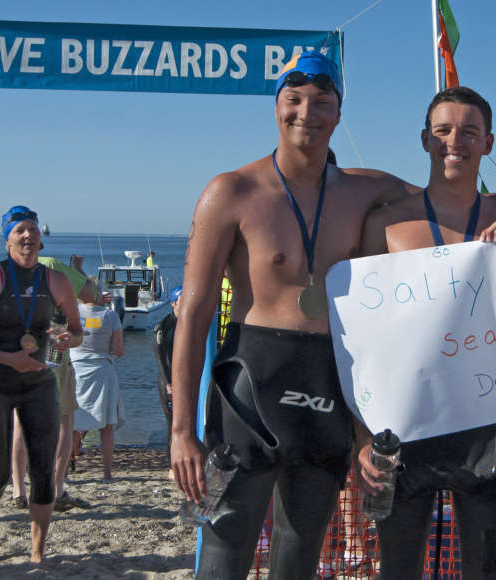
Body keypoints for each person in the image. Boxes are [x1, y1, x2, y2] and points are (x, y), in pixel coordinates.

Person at [170, 50, 413, 578]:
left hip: (326, 383)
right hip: (249, 386)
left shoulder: (369, 190)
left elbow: (451, 205)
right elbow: (193, 313)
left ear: (339, 113)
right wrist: (181, 430)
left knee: (300, 556)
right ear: (276, 108)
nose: (307, 112)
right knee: (225, 548)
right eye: (294, 100)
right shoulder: (231, 192)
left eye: (322, 101)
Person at [356, 86, 496, 579]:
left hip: (489, 424)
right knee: (397, 569)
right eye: (442, 130)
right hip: (405, 424)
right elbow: (360, 340)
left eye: (468, 132)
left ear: (489, 143)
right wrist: (360, 433)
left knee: (484, 570)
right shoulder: (388, 226)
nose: (453, 141)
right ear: (424, 139)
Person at [0, 205, 82, 564]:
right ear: (7, 239)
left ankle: (38, 553)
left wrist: (64, 340)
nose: (28, 235)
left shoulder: (55, 281)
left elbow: (77, 333)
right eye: (19, 231)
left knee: (43, 471)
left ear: (40, 237)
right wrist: (11, 359)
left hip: (38, 383)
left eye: (33, 229)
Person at [11, 259, 97, 511]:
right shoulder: (53, 266)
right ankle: (56, 488)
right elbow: (91, 294)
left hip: (21, 344)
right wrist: (80, 272)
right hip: (53, 338)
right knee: (64, 421)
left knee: (20, 422)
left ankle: (18, 491)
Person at [70, 279, 126, 482]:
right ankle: (107, 473)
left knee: (73, 421)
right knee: (106, 425)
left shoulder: (73, 312)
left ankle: (66, 465)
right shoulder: (110, 316)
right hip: (102, 371)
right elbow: (119, 351)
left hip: (75, 369)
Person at [152, 284, 182, 467]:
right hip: (168, 380)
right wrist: (169, 382)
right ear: (173, 303)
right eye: (181, 301)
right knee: (172, 423)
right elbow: (159, 355)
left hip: (184, 380)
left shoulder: (190, 323)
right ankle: (172, 464)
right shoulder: (164, 326)